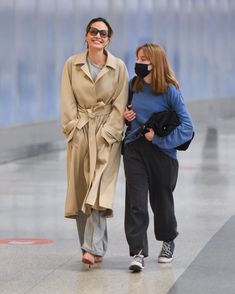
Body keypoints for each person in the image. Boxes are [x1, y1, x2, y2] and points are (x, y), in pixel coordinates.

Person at [60, 17, 128, 267]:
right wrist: (71, 129)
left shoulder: (119, 66)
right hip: (81, 130)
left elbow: (120, 103)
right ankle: (91, 248)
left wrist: (109, 133)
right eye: (93, 31)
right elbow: (67, 98)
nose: (98, 36)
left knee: (99, 189)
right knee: (81, 190)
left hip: (106, 134)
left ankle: (92, 247)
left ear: (109, 39)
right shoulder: (72, 64)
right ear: (86, 35)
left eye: (103, 33)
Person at [122, 43, 194, 272]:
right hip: (134, 148)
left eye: (144, 60)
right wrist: (126, 117)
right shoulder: (134, 85)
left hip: (162, 153)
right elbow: (128, 115)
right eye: (138, 58)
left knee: (162, 202)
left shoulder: (170, 90)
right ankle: (138, 252)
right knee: (136, 201)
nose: (139, 63)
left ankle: (167, 240)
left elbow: (187, 128)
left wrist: (159, 140)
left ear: (157, 63)